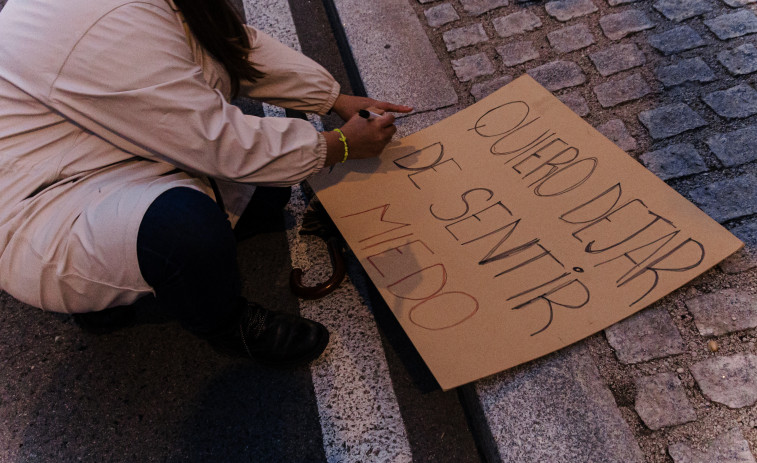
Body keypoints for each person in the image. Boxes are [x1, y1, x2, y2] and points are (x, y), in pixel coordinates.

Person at [0, 0, 412, 366]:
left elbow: (227, 47)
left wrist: (332, 99)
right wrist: (337, 145)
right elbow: (217, 142)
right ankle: (226, 325)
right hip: (47, 203)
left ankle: (161, 274)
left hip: (103, 150)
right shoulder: (104, 19)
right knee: (186, 230)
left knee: (269, 191)